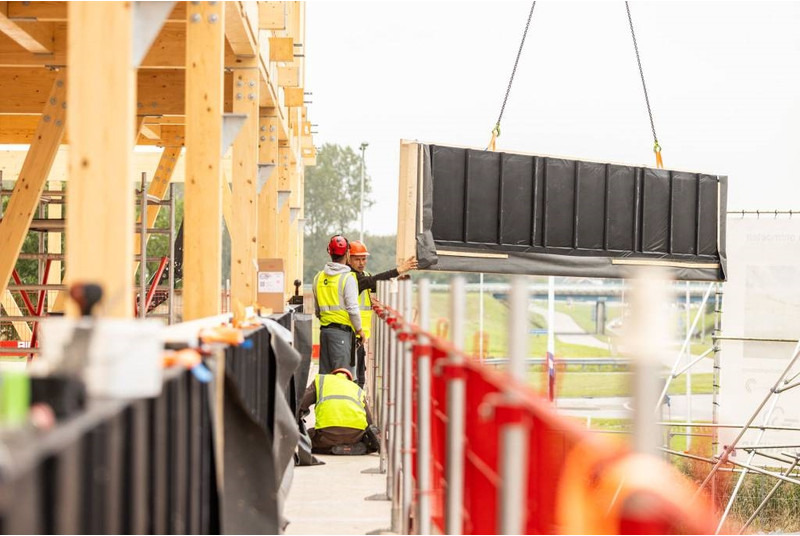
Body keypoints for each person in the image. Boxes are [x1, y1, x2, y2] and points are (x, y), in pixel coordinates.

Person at [348, 240, 418, 388]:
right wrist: (398, 270)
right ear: (348, 258)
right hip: (350, 332)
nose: (361, 263)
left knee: (360, 375)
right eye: (357, 259)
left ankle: (358, 406)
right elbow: (372, 281)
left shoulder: (363, 275)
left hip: (360, 334)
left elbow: (372, 285)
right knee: (354, 378)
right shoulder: (350, 278)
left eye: (364, 258)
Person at [312, 235, 364, 376]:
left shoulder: (319, 277)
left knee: (326, 378)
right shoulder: (348, 278)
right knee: (342, 379)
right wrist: (360, 330)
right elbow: (353, 309)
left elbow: (317, 310)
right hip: (342, 335)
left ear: (330, 252)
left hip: (324, 333)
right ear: (347, 253)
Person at [299, 368, 380, 455]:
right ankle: (351, 447)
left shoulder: (321, 381)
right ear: (349, 379)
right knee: (364, 440)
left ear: (332, 375)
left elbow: (301, 403)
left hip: (326, 436)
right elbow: (369, 422)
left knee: (306, 437)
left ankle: (330, 448)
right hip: (355, 436)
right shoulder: (357, 389)